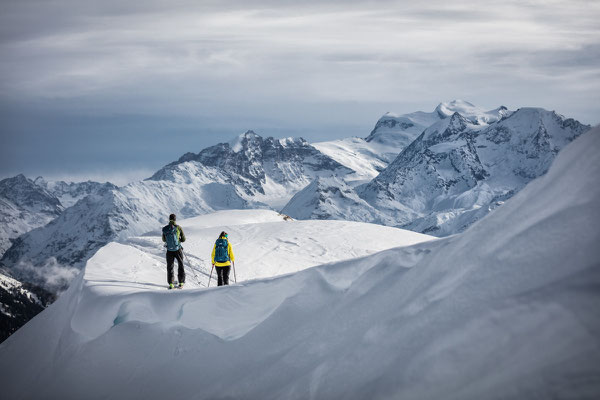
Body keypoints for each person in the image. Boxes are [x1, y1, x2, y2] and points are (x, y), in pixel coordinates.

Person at [162, 213, 186, 289]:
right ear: (175, 219)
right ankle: (181, 282)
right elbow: (184, 239)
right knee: (180, 264)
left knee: (170, 266)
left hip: (169, 250)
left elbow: (163, 239)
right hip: (177, 249)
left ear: (169, 219)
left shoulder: (165, 228)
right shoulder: (178, 227)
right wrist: (179, 240)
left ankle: (171, 284)